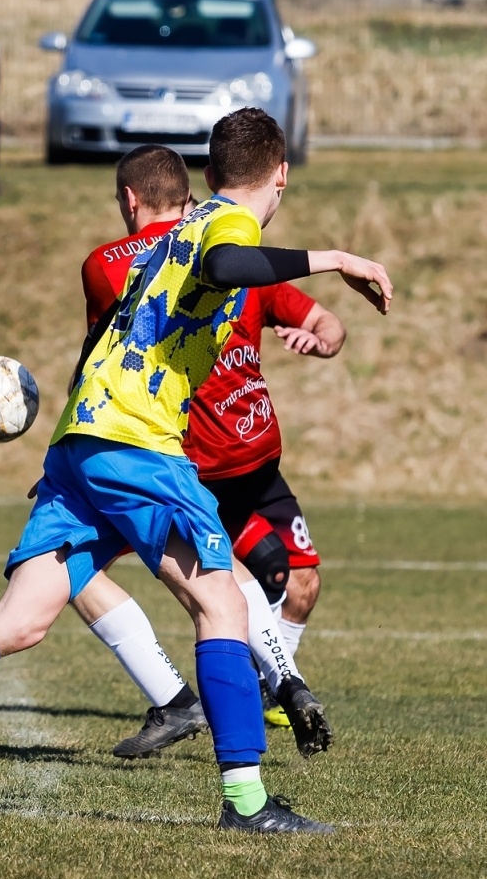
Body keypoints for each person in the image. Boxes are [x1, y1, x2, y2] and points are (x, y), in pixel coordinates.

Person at [0, 108, 392, 833]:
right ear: (281, 175)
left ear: (207, 175)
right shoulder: (225, 228)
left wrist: (64, 455)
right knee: (223, 606)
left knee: (20, 619)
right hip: (140, 444)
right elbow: (228, 266)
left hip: (87, 440)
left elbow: (109, 337)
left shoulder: (176, 228)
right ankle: (247, 802)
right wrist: (335, 258)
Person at [72, 144, 349, 760]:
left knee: (77, 569)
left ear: (129, 198)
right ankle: (273, 688)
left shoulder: (112, 265)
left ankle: (208, 697)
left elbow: (102, 355)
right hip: (217, 453)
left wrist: (323, 333)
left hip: (168, 453)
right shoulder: (229, 249)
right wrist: (330, 261)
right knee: (242, 580)